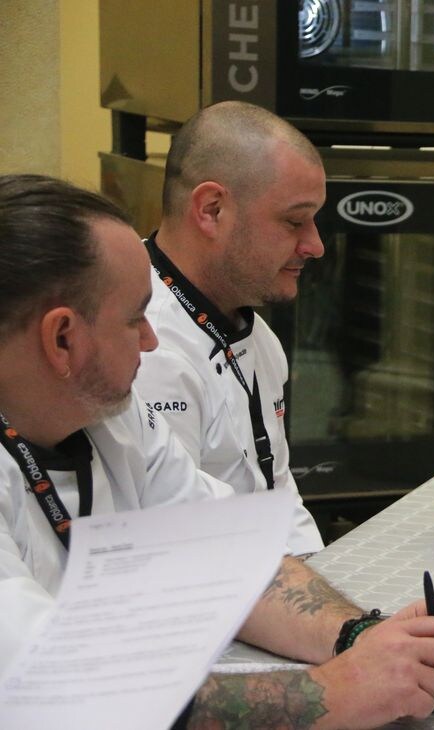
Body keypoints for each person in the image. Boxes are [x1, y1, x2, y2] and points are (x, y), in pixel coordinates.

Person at [0, 174, 434, 727]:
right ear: (61, 338)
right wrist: (332, 693)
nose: (151, 340)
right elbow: (62, 691)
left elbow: (229, 558)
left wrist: (362, 637)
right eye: (135, 318)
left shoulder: (112, 419)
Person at [133, 101, 325, 555]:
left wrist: (340, 603)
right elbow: (176, 546)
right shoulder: (144, 348)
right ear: (212, 210)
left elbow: (277, 494)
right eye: (294, 221)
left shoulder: (258, 337)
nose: (315, 245)